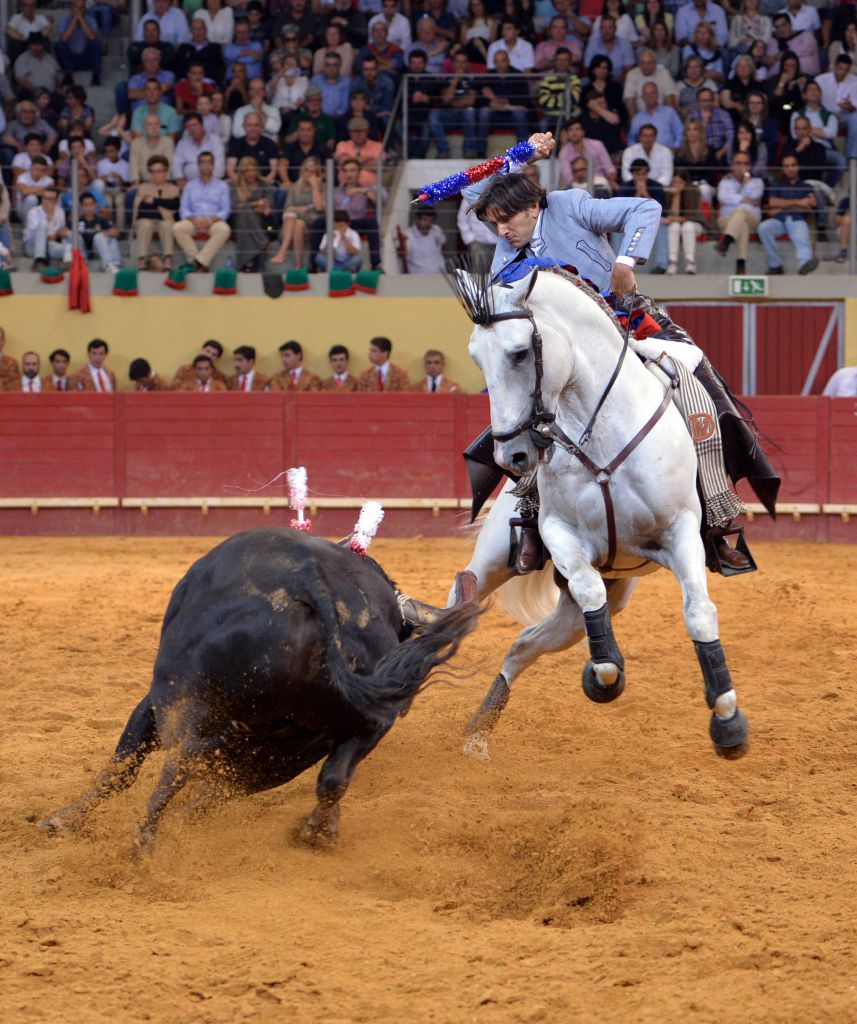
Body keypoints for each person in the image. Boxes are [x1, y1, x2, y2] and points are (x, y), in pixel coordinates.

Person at [462, 131, 778, 571]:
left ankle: (719, 516)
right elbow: (471, 185)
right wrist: (518, 156)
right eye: (492, 223)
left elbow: (644, 208)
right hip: (568, 359)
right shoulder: (502, 261)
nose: (500, 231)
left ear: (533, 207)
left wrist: (625, 261)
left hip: (628, 325)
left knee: (695, 383)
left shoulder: (568, 206)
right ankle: (531, 521)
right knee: (522, 420)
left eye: (506, 221)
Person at [757, 154, 818, 275]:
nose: (790, 169)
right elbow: (772, 202)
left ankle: (804, 265)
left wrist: (781, 207)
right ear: (783, 169)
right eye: (786, 166)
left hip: (797, 221)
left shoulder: (807, 187)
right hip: (779, 222)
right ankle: (775, 265)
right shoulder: (777, 184)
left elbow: (808, 209)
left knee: (801, 234)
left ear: (798, 167)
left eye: (793, 165)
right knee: (763, 228)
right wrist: (799, 202)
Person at [173, 151, 231, 271]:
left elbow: (225, 210)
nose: (206, 165)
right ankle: (196, 260)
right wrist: (195, 221)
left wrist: (209, 221)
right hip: (193, 220)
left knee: (225, 230)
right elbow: (183, 208)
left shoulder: (222, 185)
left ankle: (200, 261)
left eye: (209, 162)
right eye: (203, 162)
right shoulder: (190, 185)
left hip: (214, 220)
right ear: (198, 165)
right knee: (177, 228)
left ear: (213, 165)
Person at [616, 157, 668, 273]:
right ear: (632, 174)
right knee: (617, 227)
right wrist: (637, 195)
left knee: (662, 223)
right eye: (637, 174)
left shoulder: (656, 186)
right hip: (629, 220)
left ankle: (662, 265)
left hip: (651, 220)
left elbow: (662, 210)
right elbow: (620, 210)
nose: (641, 177)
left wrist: (645, 194)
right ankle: (618, 264)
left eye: (643, 174)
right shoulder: (625, 187)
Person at [714, 152, 763, 274]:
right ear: (732, 166)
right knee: (742, 223)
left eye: (745, 163)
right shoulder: (724, 183)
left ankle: (726, 241)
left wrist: (747, 182)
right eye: (738, 163)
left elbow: (755, 195)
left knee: (740, 211)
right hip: (726, 219)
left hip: (753, 220)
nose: (742, 167)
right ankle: (741, 263)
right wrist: (746, 200)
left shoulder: (757, 182)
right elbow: (723, 198)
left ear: (750, 166)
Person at [133, 153, 180, 271]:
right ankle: (142, 259)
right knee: (145, 224)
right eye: (153, 171)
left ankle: (168, 258)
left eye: (159, 171)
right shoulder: (144, 187)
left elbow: (174, 206)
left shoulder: (173, 188)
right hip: (147, 219)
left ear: (166, 171)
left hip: (165, 220)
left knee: (167, 225)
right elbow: (141, 209)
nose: (156, 175)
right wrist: (163, 204)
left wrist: (154, 201)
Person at [229, 156, 272, 272]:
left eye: (253, 170)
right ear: (242, 172)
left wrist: (248, 205)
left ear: (257, 171)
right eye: (247, 171)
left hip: (265, 225)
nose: (251, 174)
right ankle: (262, 245)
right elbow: (235, 207)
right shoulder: (235, 186)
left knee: (246, 213)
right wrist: (256, 204)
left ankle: (247, 262)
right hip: (240, 222)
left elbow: (267, 208)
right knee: (245, 215)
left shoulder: (264, 186)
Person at [557, 118, 618, 190]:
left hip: (598, 182)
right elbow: (569, 178)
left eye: (577, 129)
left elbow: (610, 169)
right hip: (577, 185)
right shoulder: (564, 152)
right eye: (570, 130)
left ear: (583, 132)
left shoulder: (597, 145)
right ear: (567, 134)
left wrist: (611, 180)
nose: (574, 133)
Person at [664, 174, 706, 274]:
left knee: (687, 226)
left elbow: (693, 216)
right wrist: (676, 196)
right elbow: (672, 215)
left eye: (680, 182)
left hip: (695, 225)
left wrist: (676, 218)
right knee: (674, 226)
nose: (677, 185)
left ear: (686, 183)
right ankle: (673, 262)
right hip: (678, 225)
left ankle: (690, 263)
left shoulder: (694, 192)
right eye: (675, 182)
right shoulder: (669, 193)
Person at [55, 0, 101, 86]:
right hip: (70, 59)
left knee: (96, 44)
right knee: (59, 45)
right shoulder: (64, 20)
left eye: (82, 7)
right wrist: (74, 21)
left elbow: (92, 37)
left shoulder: (91, 20)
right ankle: (68, 75)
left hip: (86, 58)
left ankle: (96, 76)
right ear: (71, 8)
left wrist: (81, 20)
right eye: (77, 7)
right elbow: (64, 39)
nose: (79, 10)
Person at [173, 111, 225, 185]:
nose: (192, 129)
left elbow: (219, 165)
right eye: (188, 126)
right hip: (188, 184)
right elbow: (176, 163)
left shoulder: (214, 140)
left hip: (212, 183)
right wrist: (179, 179)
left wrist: (209, 183)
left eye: (194, 125)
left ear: (202, 125)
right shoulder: (182, 143)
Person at [75, 191, 122, 273]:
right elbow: (64, 232)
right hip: (84, 251)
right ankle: (81, 264)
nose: (89, 207)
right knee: (75, 236)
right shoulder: (77, 220)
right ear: (81, 206)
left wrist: (102, 232)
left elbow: (116, 233)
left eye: (91, 204)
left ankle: (112, 265)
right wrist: (76, 232)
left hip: (97, 250)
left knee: (102, 237)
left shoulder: (100, 219)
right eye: (86, 205)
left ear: (95, 205)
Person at [628, 83, 685, 149]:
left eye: (653, 93)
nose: (650, 96)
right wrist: (636, 152)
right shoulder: (637, 118)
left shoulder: (669, 112)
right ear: (643, 97)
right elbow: (631, 139)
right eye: (646, 94)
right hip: (644, 156)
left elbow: (680, 133)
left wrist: (676, 148)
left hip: (669, 155)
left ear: (657, 95)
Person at [24, 187, 68, 270]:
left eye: (50, 199)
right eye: (44, 198)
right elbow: (39, 234)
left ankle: (67, 263)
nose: (46, 201)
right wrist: (49, 216)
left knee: (69, 246)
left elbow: (61, 231)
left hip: (51, 245)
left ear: (56, 201)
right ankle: (39, 261)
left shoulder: (60, 212)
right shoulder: (33, 212)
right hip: (32, 246)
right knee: (43, 223)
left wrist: (58, 235)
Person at [621, 123, 674, 187]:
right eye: (644, 136)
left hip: (658, 189)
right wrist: (638, 185)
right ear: (639, 137)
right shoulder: (629, 151)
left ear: (655, 137)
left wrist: (652, 187)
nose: (647, 139)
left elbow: (666, 177)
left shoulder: (665, 152)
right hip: (634, 188)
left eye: (650, 136)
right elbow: (626, 175)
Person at [404, 209, 446, 273]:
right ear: (417, 220)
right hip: (419, 277)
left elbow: (443, 245)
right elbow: (404, 256)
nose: (428, 224)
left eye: (431, 221)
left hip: (440, 274)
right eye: (425, 220)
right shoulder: (408, 235)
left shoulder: (437, 230)